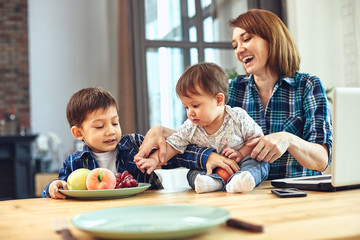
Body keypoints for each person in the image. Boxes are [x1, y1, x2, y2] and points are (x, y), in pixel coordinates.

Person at [135, 9, 332, 184]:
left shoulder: (307, 86)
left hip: (295, 196)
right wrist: (206, 156)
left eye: (246, 39)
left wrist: (288, 139)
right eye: (235, 44)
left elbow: (321, 160)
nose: (239, 50)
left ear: (272, 39)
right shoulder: (232, 90)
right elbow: (189, 141)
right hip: (241, 197)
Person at [42, 87, 215, 199]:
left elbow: (176, 153)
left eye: (115, 123)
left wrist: (207, 156)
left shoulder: (136, 145)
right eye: (99, 126)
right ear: (78, 133)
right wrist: (54, 187)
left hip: (146, 209)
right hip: (99, 216)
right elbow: (60, 188)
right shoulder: (74, 163)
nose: (111, 131)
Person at [135, 63, 269, 193]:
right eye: (186, 107)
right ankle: (213, 182)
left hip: (242, 162)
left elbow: (257, 139)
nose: (190, 113)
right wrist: (153, 160)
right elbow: (172, 146)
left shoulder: (237, 117)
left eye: (195, 106)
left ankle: (242, 180)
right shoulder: (190, 126)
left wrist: (240, 153)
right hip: (210, 168)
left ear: (219, 100)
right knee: (192, 174)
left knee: (259, 163)